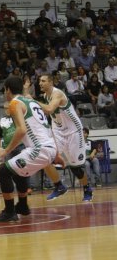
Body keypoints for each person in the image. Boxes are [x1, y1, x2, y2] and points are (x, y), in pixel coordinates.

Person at [0, 76, 60, 223]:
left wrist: (5, 151)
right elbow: (43, 128)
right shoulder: (30, 101)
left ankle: (9, 212)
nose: (4, 93)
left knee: (2, 171)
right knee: (18, 171)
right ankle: (22, 206)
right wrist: (56, 153)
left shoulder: (14, 103)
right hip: (49, 147)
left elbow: (21, 130)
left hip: (39, 149)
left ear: (8, 89)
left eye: (4, 90)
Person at [38, 74, 93, 202]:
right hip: (58, 131)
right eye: (39, 81)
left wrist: (33, 100)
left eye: (43, 81)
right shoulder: (45, 96)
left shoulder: (57, 94)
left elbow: (50, 109)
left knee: (76, 168)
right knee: (46, 157)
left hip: (73, 132)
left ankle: (87, 188)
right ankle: (59, 186)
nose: (40, 83)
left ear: (51, 82)